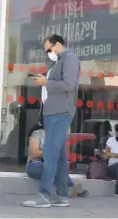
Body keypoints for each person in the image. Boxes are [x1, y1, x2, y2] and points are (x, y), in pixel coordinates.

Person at [23, 34, 80, 208]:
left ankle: (45, 194)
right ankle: (62, 195)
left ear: (57, 44)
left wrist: (46, 82)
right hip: (53, 112)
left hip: (60, 112)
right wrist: (45, 80)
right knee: (60, 155)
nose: (48, 52)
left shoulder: (69, 58)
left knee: (49, 154)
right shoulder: (59, 62)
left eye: (48, 49)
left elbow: (69, 84)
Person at [26, 119, 89, 198]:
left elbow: (67, 134)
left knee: (58, 168)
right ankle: (69, 187)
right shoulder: (37, 133)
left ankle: (67, 189)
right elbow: (34, 153)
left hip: (51, 165)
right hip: (35, 165)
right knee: (52, 169)